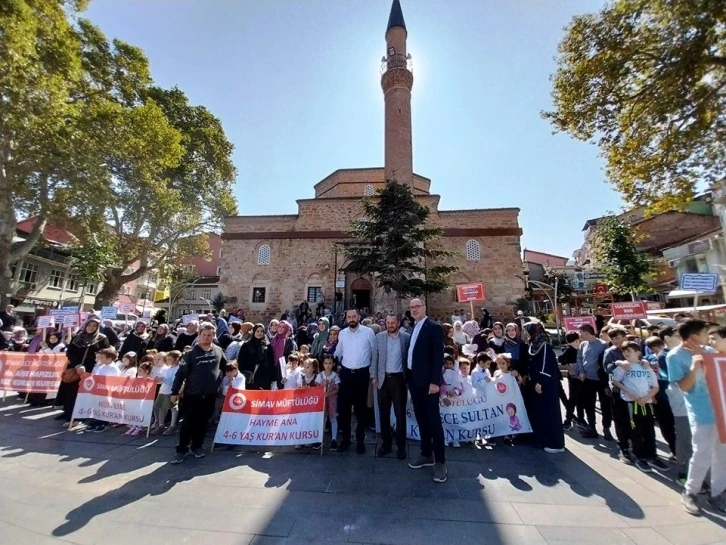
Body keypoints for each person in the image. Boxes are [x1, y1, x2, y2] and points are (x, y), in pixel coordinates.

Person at [668, 319, 726, 515]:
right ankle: (690, 492)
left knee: (722, 455)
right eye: (705, 333)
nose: (708, 337)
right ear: (694, 336)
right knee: (701, 454)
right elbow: (683, 387)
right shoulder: (675, 356)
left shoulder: (709, 352)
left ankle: (718, 494)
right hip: (701, 414)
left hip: (721, 410)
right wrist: (694, 368)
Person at [170, 322, 226, 464]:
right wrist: (175, 392)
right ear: (199, 335)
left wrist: (232, 376)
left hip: (209, 395)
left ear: (214, 336)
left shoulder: (219, 350)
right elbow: (180, 374)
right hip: (192, 395)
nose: (206, 337)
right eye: (204, 335)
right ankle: (181, 449)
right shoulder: (190, 354)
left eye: (209, 335)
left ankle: (197, 447)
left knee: (203, 422)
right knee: (188, 423)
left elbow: (226, 366)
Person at [406, 298, 447, 483]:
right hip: (415, 382)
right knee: (421, 418)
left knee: (433, 421)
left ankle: (440, 462)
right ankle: (426, 454)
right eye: (412, 307)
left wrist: (435, 381)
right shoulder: (413, 327)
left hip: (429, 384)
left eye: (417, 306)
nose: (414, 309)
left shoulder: (433, 327)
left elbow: (438, 356)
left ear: (424, 307)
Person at [611, 340, 666, 473]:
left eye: (629, 351)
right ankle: (639, 456)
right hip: (631, 403)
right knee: (635, 430)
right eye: (624, 351)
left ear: (638, 353)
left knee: (649, 430)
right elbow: (616, 381)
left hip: (646, 403)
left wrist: (647, 398)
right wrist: (628, 391)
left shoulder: (645, 367)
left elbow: (655, 386)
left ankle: (652, 455)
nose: (626, 354)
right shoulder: (623, 367)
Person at [336, 308, 376, 454]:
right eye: (349, 317)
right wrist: (333, 361)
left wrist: (373, 373)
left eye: (354, 316)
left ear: (359, 317)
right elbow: (339, 351)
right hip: (346, 374)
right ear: (346, 318)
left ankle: (360, 440)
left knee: (360, 409)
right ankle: (346, 440)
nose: (352, 319)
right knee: (344, 409)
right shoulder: (342, 333)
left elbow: (374, 352)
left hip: (362, 374)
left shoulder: (368, 332)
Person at [58, 316, 110, 427]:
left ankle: (80, 417)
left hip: (91, 370)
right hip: (75, 369)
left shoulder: (102, 338)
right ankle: (70, 415)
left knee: (85, 393)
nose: (91, 328)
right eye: (89, 325)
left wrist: (98, 362)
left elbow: (106, 353)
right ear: (85, 325)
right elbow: (70, 352)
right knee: (71, 393)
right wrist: (77, 365)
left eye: (94, 326)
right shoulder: (77, 337)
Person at [371, 314, 410, 460]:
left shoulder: (405, 338)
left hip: (399, 379)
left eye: (393, 322)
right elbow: (375, 357)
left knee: (400, 415)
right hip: (383, 380)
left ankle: (401, 447)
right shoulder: (379, 337)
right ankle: (386, 444)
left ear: (398, 323)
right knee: (383, 414)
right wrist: (373, 376)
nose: (390, 325)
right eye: (388, 322)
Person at [524, 321, 565, 453]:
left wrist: (540, 381)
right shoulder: (534, 344)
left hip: (545, 385)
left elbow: (546, 365)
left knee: (550, 412)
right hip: (535, 383)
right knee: (540, 412)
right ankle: (541, 439)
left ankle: (555, 443)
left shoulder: (545, 345)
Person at [658, 326, 691, 484]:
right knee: (681, 436)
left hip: (692, 402)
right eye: (677, 335)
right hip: (672, 400)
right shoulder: (666, 356)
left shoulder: (689, 353)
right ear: (667, 338)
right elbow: (671, 378)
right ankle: (682, 470)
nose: (681, 338)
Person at [575, 324, 611, 440]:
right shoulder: (583, 344)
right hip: (587, 379)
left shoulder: (602, 345)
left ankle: (606, 427)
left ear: (586, 332)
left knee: (605, 405)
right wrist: (581, 371)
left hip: (601, 380)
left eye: (580, 332)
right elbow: (579, 358)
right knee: (589, 405)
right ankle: (592, 427)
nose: (579, 335)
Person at [602, 327, 630, 461]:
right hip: (618, 390)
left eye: (617, 338)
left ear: (624, 337)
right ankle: (623, 446)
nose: (615, 341)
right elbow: (607, 368)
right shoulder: (610, 352)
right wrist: (618, 364)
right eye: (612, 339)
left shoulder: (632, 348)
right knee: (620, 419)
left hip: (636, 391)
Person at [239, 324, 276, 389]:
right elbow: (241, 362)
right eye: (257, 331)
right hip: (251, 377)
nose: (259, 333)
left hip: (265, 378)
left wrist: (272, 378)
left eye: (261, 331)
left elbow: (271, 362)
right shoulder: (246, 345)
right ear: (254, 332)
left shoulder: (267, 345)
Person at [559, 331, 583, 430]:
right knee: (573, 399)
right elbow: (561, 359)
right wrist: (570, 369)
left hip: (580, 376)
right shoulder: (570, 350)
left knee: (580, 399)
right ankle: (568, 419)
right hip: (574, 377)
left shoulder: (578, 349)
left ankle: (580, 419)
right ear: (577, 340)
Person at [319, 354, 340, 451]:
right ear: (323, 364)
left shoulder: (335, 376)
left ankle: (334, 439)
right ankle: (320, 439)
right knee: (323, 418)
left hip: (332, 400)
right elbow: (317, 387)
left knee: (333, 418)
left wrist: (329, 393)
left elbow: (337, 389)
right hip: (323, 400)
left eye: (330, 363)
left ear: (333, 364)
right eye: (326, 363)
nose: (328, 365)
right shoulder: (320, 375)